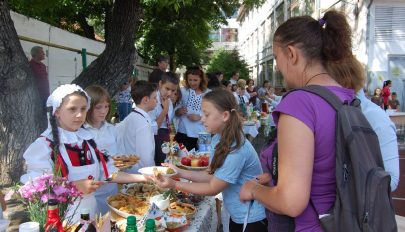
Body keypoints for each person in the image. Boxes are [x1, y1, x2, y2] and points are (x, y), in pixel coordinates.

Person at [239, 11, 362, 231]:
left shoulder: (300, 103)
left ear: (291, 53)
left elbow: (291, 202)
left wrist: (253, 190)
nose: (277, 67)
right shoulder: (345, 96)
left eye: (277, 58)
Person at [20, 84, 149, 223]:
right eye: (72, 109)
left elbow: (108, 173)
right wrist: (73, 186)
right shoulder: (44, 146)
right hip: (62, 220)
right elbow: (34, 188)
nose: (79, 115)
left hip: (90, 215)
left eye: (83, 109)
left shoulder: (87, 141)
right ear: (57, 112)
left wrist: (146, 178)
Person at [152, 90, 267, 232]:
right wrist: (179, 172)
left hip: (250, 219)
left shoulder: (237, 148)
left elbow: (213, 188)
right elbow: (211, 174)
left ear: (225, 115)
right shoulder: (218, 138)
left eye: (206, 114)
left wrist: (174, 184)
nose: (202, 118)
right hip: (239, 215)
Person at [83, 85, 119, 214]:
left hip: (112, 186)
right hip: (92, 191)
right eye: (98, 107)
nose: (103, 111)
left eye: (106, 106)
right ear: (88, 108)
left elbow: (117, 156)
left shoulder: (111, 129)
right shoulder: (81, 132)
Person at [116, 81, 157, 173]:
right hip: (141, 173)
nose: (157, 101)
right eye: (154, 98)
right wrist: (152, 172)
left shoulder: (131, 117)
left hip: (130, 170)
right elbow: (146, 156)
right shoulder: (142, 123)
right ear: (145, 100)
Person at [174, 66, 210, 151]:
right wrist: (178, 111)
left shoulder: (208, 93)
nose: (192, 83)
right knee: (183, 159)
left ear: (201, 79)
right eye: (190, 80)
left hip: (204, 133)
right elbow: (175, 109)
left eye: (195, 80)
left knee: (204, 157)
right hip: (183, 132)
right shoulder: (182, 91)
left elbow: (212, 112)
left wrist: (199, 116)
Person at [148, 72, 179, 165]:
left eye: (173, 91)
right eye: (167, 88)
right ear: (160, 84)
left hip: (165, 139)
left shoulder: (168, 101)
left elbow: (168, 122)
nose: (170, 93)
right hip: (154, 138)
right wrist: (165, 110)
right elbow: (153, 127)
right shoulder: (153, 100)